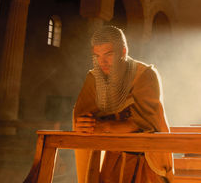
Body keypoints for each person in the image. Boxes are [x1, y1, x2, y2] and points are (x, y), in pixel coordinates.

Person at [73, 26, 173, 183]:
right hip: (113, 160)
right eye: (97, 56)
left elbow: (145, 123)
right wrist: (83, 125)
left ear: (124, 52)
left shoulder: (144, 74)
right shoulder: (94, 78)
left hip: (147, 159)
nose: (102, 62)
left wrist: (104, 126)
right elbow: (83, 118)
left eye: (108, 54)